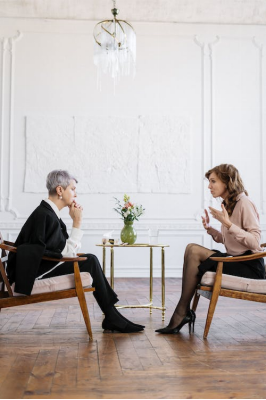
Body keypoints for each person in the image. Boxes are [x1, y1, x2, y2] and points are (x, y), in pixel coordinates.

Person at [7, 170, 145, 334]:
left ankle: (112, 315)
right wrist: (77, 222)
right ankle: (112, 316)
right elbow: (66, 254)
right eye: (72, 189)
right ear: (60, 190)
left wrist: (74, 222)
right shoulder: (46, 215)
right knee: (90, 260)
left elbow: (62, 251)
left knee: (90, 259)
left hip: (37, 266)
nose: (75, 194)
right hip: (32, 274)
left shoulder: (48, 213)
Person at [156, 164, 265, 334]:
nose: (209, 186)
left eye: (213, 181)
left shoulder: (244, 203)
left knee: (193, 250)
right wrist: (211, 230)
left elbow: (255, 242)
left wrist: (227, 223)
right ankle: (182, 311)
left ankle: (181, 312)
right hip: (235, 260)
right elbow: (232, 241)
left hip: (249, 266)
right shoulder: (229, 203)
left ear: (227, 182)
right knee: (191, 248)